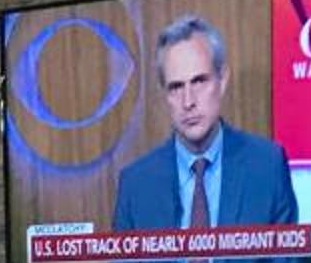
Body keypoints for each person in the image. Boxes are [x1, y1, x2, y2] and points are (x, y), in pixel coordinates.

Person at [109, 14, 298, 236]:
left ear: (222, 80)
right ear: (164, 94)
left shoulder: (267, 166)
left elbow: (286, 256)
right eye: (176, 87)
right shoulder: (135, 185)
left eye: (199, 81)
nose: (188, 101)